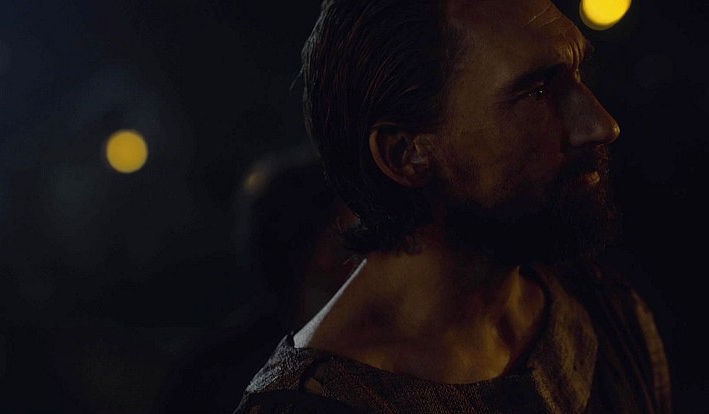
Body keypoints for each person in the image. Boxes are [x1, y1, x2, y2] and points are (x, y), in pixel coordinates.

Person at [233, 0, 672, 413]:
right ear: (406, 154)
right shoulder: (315, 403)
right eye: (537, 92)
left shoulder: (605, 314)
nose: (601, 125)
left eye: (577, 74)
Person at [154, 144, 355, 414]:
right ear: (317, 247)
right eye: (349, 231)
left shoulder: (214, 362)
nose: (368, 247)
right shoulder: (221, 371)